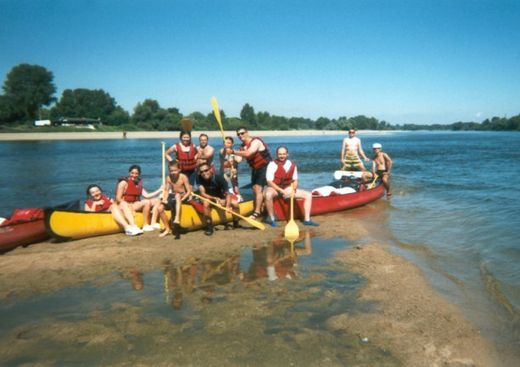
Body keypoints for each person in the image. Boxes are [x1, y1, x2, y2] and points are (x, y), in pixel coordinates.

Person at [264, 146, 319, 227]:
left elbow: (295, 180)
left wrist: (293, 189)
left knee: (308, 195)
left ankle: (307, 220)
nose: (282, 156)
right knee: (267, 195)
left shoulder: (292, 164)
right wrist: (281, 191)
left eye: (283, 154)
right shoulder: (271, 165)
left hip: (287, 188)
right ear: (277, 155)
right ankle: (272, 219)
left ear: (287, 154)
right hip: (274, 188)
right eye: (279, 154)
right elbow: (269, 182)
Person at [227, 127, 271, 220]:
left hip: (266, 167)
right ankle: (262, 207)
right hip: (255, 169)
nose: (240, 135)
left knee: (258, 189)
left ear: (247, 132)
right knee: (255, 189)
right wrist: (231, 156)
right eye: (238, 134)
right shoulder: (242, 146)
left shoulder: (256, 141)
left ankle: (257, 212)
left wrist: (234, 151)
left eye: (242, 133)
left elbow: (248, 153)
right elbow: (239, 159)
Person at [196, 162, 240, 236]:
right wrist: (214, 198)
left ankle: (236, 222)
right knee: (206, 203)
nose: (204, 173)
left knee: (235, 204)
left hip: (221, 197)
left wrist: (227, 206)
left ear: (211, 170)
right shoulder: (199, 178)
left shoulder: (219, 178)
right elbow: (202, 193)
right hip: (209, 198)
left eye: (206, 170)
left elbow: (227, 193)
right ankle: (209, 227)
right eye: (201, 172)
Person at [115, 164, 163, 232]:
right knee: (146, 202)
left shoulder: (138, 183)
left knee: (157, 200)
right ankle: (145, 225)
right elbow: (118, 198)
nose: (134, 175)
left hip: (135, 204)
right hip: (126, 206)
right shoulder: (123, 183)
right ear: (129, 173)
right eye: (132, 173)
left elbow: (147, 195)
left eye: (136, 173)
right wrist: (127, 205)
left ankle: (153, 223)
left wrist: (160, 190)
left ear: (139, 174)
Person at [156, 161, 192, 239]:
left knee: (178, 195)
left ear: (179, 170)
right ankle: (167, 228)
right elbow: (166, 190)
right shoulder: (168, 178)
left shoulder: (183, 177)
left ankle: (176, 218)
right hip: (173, 196)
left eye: (175, 170)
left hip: (182, 196)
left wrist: (184, 198)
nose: (173, 172)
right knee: (159, 208)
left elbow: (189, 191)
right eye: (171, 171)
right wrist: (165, 199)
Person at [219, 136, 243, 200]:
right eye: (225, 143)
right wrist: (226, 150)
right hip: (224, 171)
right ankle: (224, 197)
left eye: (229, 143)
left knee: (235, 184)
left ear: (232, 144)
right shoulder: (222, 150)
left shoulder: (235, 151)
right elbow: (223, 153)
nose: (226, 144)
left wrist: (233, 154)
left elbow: (239, 160)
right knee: (224, 185)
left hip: (233, 170)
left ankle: (238, 197)